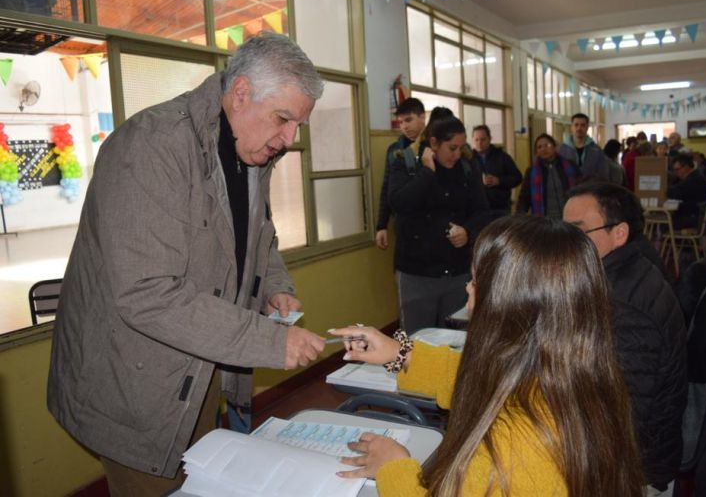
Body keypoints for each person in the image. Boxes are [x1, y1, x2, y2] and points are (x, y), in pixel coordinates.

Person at [47, 33, 327, 496]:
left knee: (198, 481)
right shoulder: (151, 147)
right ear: (240, 93)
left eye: (298, 125)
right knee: (158, 483)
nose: (289, 139)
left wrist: (274, 285)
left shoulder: (249, 150)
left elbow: (259, 235)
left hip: (200, 363)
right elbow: (146, 293)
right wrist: (270, 341)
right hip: (137, 382)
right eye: (283, 119)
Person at [330, 216, 644, 496]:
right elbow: (484, 381)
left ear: (510, 306)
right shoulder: (577, 375)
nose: (468, 290)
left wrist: (393, 466)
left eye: (477, 283)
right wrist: (399, 353)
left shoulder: (509, 451)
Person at [563, 182, 687, 495]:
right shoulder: (630, 269)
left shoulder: (625, 310)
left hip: (633, 473)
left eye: (578, 233)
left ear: (619, 233)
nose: (565, 244)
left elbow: (620, 422)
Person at [388, 114, 489, 335]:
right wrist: (427, 173)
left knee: (455, 342)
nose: (457, 154)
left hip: (457, 273)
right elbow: (398, 203)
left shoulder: (467, 166)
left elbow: (481, 211)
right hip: (416, 275)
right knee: (416, 344)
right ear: (433, 142)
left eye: (461, 148)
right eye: (452, 148)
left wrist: (468, 232)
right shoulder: (405, 163)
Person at [375, 98, 427, 250]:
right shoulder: (394, 150)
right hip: (405, 225)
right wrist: (381, 225)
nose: (404, 126)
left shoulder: (435, 146)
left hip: (433, 223)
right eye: (401, 122)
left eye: (409, 120)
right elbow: (387, 188)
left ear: (422, 117)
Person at [517, 133, 579, 218]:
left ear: (554, 147)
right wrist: (519, 216)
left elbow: (581, 187)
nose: (543, 149)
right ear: (536, 152)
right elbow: (524, 197)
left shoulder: (570, 166)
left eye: (547, 145)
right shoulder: (531, 172)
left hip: (570, 215)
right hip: (545, 220)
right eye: (539, 147)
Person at [471, 124, 523, 219]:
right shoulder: (469, 159)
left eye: (483, 139)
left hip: (500, 208)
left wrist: (499, 181)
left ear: (490, 139)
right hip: (477, 209)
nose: (479, 143)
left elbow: (517, 177)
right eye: (476, 140)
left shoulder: (502, 157)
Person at [558, 112, 612, 182]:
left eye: (582, 125)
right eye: (576, 125)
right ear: (571, 127)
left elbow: (603, 174)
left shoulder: (596, 150)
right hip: (569, 190)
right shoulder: (561, 150)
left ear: (587, 127)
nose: (579, 128)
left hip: (590, 189)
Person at [668, 153, 706, 229]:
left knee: (665, 222)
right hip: (697, 216)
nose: (676, 173)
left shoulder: (693, 180)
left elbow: (675, 193)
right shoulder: (696, 176)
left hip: (694, 219)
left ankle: (676, 240)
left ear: (686, 167)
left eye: (677, 169)